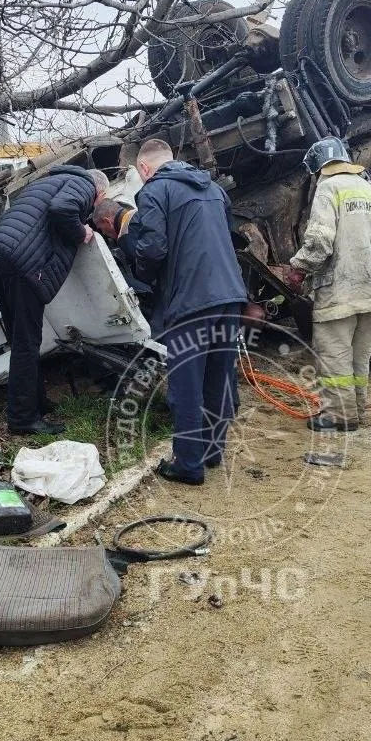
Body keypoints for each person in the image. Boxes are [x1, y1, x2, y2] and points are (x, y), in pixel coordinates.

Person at [121, 139, 248, 485]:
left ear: (144, 168)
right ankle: (212, 451)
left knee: (186, 384)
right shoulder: (215, 190)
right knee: (218, 377)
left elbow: (153, 248)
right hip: (230, 295)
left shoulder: (154, 191)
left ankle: (189, 465)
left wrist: (144, 278)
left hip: (192, 299)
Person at [0, 165, 109, 435]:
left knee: (20, 339)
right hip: (22, 261)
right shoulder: (84, 185)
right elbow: (61, 209)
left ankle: (35, 404)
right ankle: (23, 419)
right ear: (100, 193)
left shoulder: (50, 181)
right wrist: (82, 233)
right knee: (27, 342)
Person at [285, 138, 371, 432]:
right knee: (359, 358)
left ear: (317, 169)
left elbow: (320, 242)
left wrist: (298, 268)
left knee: (335, 357)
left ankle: (338, 416)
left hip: (339, 292)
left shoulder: (328, 188)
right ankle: (356, 410)